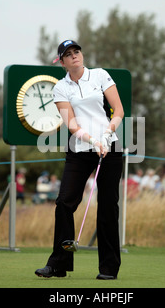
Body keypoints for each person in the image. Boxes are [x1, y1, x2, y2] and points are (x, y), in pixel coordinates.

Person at [35, 40, 124, 280]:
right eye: (68, 54)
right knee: (64, 202)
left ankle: (108, 268)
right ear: (62, 62)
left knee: (107, 206)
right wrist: (91, 140)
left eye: (77, 52)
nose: (75, 56)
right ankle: (58, 264)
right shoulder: (61, 88)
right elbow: (71, 123)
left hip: (109, 147)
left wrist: (106, 134)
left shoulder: (100, 75)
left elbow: (118, 110)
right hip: (80, 149)